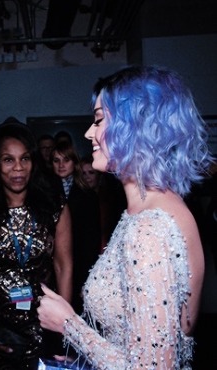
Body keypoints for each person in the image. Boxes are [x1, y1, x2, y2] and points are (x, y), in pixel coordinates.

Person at [37, 65, 214, 369]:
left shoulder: (149, 229)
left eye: (99, 120)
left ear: (137, 126)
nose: (89, 132)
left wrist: (69, 324)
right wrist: (85, 359)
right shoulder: (149, 210)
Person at [0, 120, 73, 369]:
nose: (18, 169)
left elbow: (64, 266)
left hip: (45, 325)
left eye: (25, 159)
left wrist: (67, 328)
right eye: (8, 160)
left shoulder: (55, 208)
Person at [52, 142, 101, 314]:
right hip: (53, 266)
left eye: (66, 160)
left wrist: (89, 277)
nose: (61, 165)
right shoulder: (45, 193)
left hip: (80, 263)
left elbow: (92, 239)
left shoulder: (87, 195)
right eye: (56, 160)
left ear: (74, 162)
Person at [80, 155, 126, 253]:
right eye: (83, 173)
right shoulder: (80, 200)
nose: (87, 177)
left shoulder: (111, 197)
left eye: (91, 173)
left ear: (99, 175)